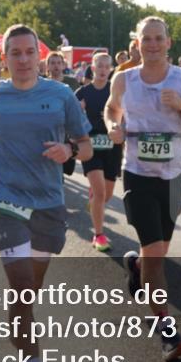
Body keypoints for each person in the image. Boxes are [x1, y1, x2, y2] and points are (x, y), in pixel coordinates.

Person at [0, 24, 93, 362]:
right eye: (14, 53)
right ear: (3, 58)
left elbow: (88, 146)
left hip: (48, 204)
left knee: (28, 295)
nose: (22, 60)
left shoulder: (59, 96)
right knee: (23, 290)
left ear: (39, 56)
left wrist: (68, 149)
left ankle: (21, 332)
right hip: (5, 200)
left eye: (28, 52)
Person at [104, 16, 181, 362]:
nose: (152, 45)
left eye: (158, 39)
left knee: (157, 253)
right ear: (137, 44)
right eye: (145, 39)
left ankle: (136, 266)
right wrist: (112, 126)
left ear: (168, 43)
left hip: (173, 178)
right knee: (155, 254)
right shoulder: (124, 79)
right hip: (137, 175)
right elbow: (111, 108)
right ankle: (168, 332)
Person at [75, 53, 123, 252]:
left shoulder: (116, 91)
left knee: (107, 195)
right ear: (92, 68)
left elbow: (125, 115)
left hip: (112, 147)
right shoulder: (82, 93)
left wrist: (123, 132)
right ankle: (99, 234)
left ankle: (94, 201)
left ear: (111, 69)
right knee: (100, 191)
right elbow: (72, 119)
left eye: (106, 66)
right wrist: (79, 112)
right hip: (90, 146)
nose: (103, 70)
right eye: (99, 66)